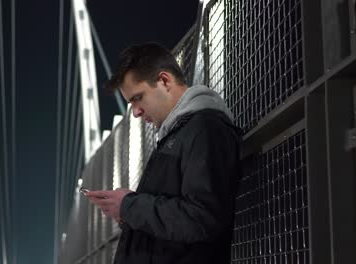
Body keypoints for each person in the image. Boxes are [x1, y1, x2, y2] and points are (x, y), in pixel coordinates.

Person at [85, 43, 242, 264]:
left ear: (165, 81)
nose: (136, 112)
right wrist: (126, 210)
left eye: (137, 98)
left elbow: (203, 218)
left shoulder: (206, 128)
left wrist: (130, 205)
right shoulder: (176, 134)